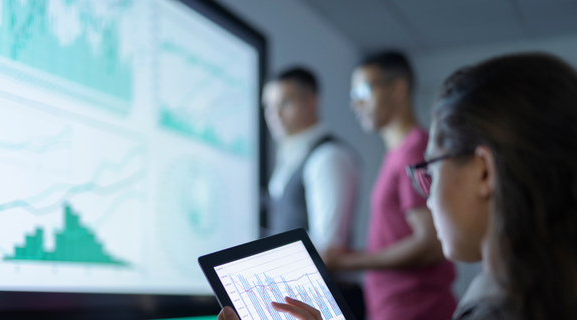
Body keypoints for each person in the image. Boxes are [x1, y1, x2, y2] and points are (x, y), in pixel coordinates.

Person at [218, 52, 577, 320]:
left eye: (430, 172)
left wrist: (349, 259)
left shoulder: (497, 308)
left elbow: (427, 242)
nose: (429, 196)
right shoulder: (521, 294)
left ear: (484, 172)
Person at [325, 51, 456, 320]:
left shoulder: (414, 150)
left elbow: (430, 243)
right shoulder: (398, 152)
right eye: (353, 96)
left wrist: (345, 261)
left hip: (416, 310)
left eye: (363, 91)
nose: (356, 104)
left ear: (397, 89)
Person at [261, 67, 363, 318]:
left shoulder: (328, 157)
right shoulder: (293, 157)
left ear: (311, 101)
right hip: (299, 302)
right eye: (267, 106)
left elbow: (328, 248)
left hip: (322, 305)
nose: (274, 114)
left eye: (284, 103)